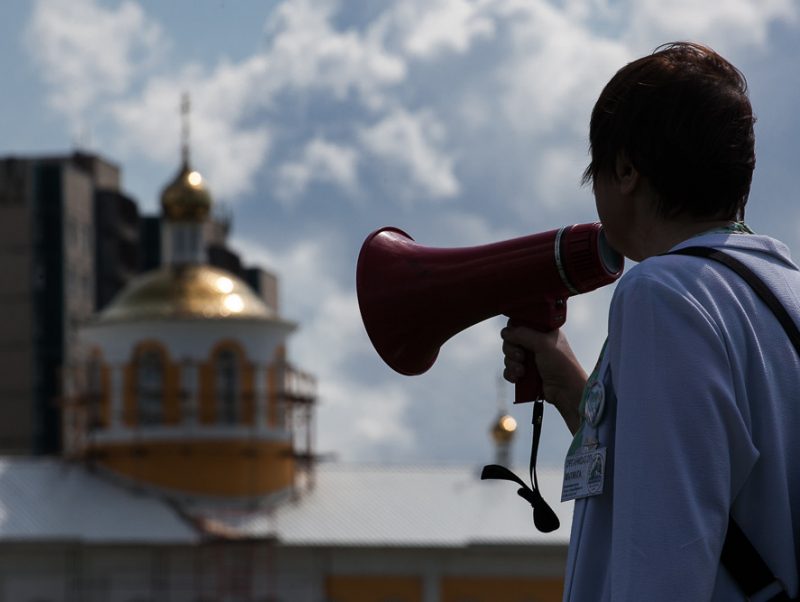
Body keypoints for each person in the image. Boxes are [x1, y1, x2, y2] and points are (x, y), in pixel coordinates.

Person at [501, 42, 800, 601]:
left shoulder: (661, 294)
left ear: (625, 169)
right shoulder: (780, 288)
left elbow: (666, 551)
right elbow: (697, 475)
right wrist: (577, 393)